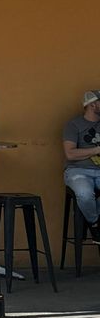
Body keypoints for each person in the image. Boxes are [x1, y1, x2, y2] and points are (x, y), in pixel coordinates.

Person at [63, 90, 100, 242]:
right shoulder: (73, 125)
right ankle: (95, 224)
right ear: (93, 104)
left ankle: (92, 219)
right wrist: (97, 150)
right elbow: (70, 154)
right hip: (77, 170)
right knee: (84, 194)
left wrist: (85, 152)